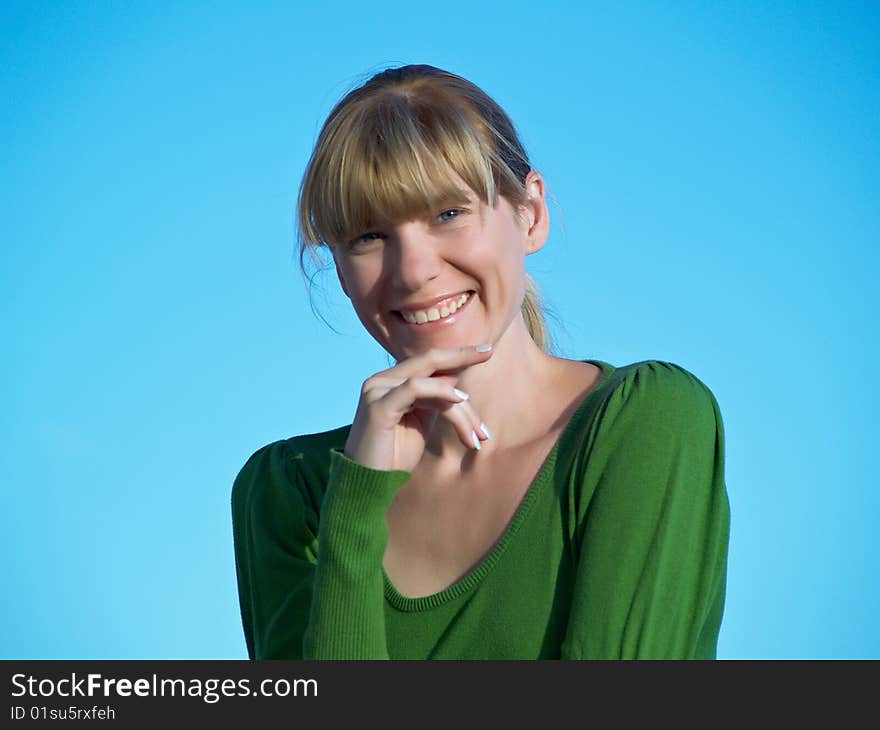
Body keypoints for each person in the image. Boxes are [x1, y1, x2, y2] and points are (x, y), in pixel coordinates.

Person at [231, 64, 731, 660]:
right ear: (337, 268)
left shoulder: (644, 424)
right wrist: (355, 508)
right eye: (368, 236)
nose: (413, 270)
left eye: (448, 213)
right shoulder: (290, 491)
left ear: (531, 214)